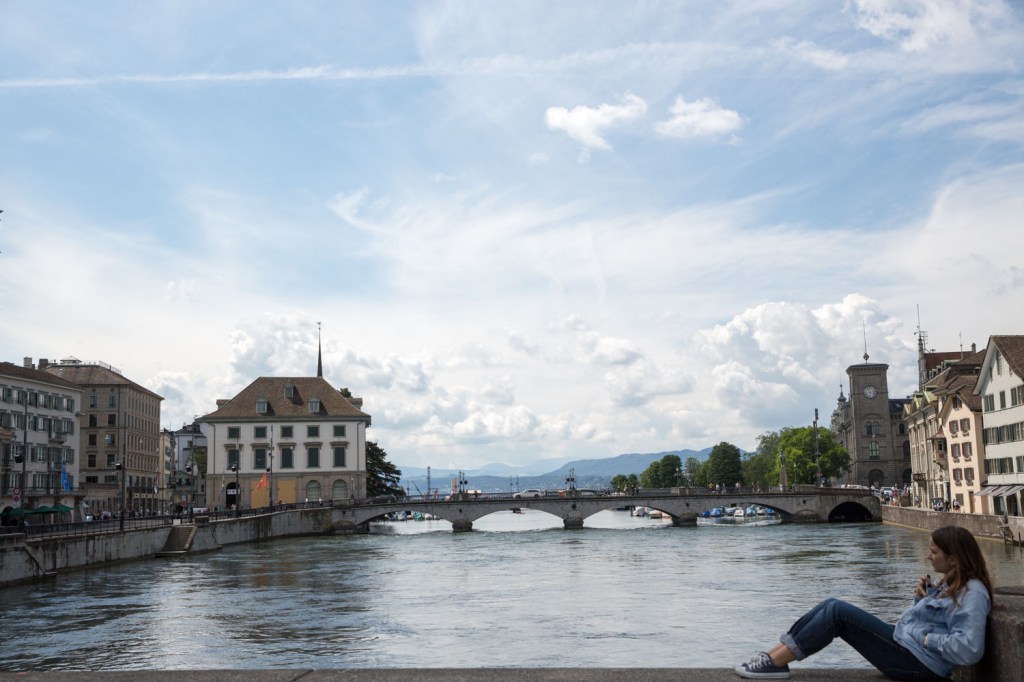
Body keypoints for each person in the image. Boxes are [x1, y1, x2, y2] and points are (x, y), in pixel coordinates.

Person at [735, 526, 993, 680]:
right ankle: (773, 655)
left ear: (954, 558)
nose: (928, 557)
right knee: (831, 603)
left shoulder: (973, 593)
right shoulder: (950, 583)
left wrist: (926, 639)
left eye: (934, 552)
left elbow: (969, 648)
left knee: (837, 613)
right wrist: (920, 599)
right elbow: (935, 620)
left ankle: (775, 663)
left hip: (919, 665)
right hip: (907, 651)